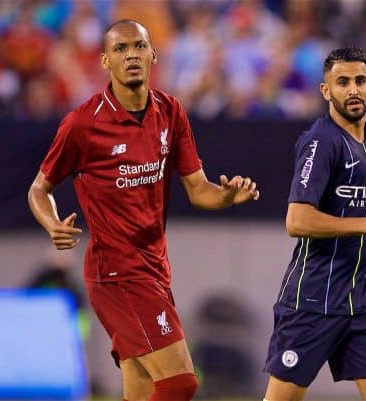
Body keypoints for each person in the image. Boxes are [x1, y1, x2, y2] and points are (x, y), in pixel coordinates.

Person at [27, 19, 260, 401]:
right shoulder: (83, 124)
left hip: (155, 270)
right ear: (105, 61)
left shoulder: (170, 112)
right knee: (181, 382)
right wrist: (51, 222)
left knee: (142, 390)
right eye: (120, 49)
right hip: (116, 273)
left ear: (153, 54)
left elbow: (199, 189)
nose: (130, 55)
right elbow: (40, 188)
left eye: (138, 46)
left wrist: (225, 196)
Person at [262, 47, 366, 401]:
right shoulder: (321, 141)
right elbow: (297, 220)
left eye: (360, 81)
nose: (353, 90)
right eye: (342, 82)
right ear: (325, 91)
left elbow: (358, 209)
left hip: (361, 300)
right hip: (313, 298)